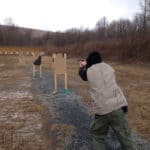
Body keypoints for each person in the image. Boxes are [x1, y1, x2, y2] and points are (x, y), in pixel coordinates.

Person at [79, 51, 135, 150]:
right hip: (118, 106)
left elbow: (83, 75)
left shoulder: (89, 71)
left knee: (97, 135)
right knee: (125, 136)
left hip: (102, 110)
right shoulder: (109, 68)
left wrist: (81, 66)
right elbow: (99, 68)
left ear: (89, 61)